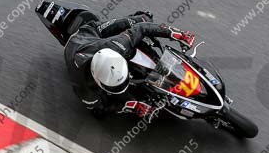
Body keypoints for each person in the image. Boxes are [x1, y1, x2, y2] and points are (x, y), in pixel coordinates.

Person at [64, 10, 195, 119]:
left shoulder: (116, 45)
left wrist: (175, 34)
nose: (123, 85)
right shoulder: (84, 88)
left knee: (144, 18)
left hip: (93, 33)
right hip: (82, 42)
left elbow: (141, 29)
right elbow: (101, 108)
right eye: (117, 86)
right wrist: (130, 106)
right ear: (97, 79)